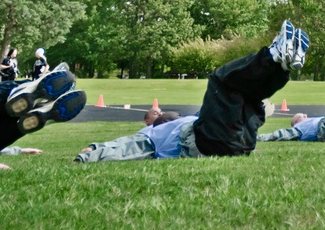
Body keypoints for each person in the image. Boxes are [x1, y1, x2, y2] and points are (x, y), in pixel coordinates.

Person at [75, 21, 308, 163]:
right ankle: (272, 55)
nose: (160, 112)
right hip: (206, 143)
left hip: (237, 141)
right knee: (220, 80)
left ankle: (283, 65)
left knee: (248, 93)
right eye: (156, 114)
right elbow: (127, 146)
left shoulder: (192, 119)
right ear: (152, 123)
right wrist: (93, 151)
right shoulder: (151, 134)